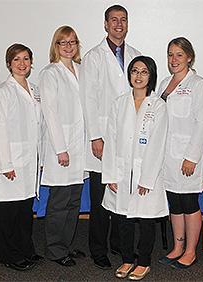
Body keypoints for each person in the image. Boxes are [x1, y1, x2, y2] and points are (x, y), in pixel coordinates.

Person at [80, 4, 141, 270]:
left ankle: (119, 243)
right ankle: (98, 248)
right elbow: (89, 99)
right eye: (114, 20)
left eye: (123, 20)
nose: (119, 24)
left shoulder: (136, 56)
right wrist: (95, 136)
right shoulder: (94, 57)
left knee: (122, 195)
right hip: (102, 138)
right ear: (105, 24)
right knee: (100, 198)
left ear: (128, 24)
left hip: (127, 139)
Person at [102, 56, 168, 280]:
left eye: (144, 72)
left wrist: (147, 179)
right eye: (134, 71)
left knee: (147, 220)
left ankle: (144, 262)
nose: (138, 76)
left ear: (151, 76)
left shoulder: (158, 106)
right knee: (123, 219)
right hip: (121, 172)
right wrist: (110, 174)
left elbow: (157, 144)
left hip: (146, 174)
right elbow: (110, 140)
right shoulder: (119, 103)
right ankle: (127, 259)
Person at [157, 37, 203, 269]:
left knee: (189, 203)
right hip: (167, 157)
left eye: (179, 55)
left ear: (189, 57)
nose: (174, 59)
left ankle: (191, 251)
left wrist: (191, 156)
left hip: (187, 157)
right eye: (171, 55)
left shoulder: (200, 85)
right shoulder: (163, 84)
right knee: (175, 204)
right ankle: (178, 247)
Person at [0, 43, 44, 271]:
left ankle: (25, 250)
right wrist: (6, 164)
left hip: (30, 160)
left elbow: (38, 126)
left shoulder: (35, 90)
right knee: (10, 212)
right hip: (11, 161)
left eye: (26, 59)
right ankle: (9, 255)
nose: (22, 64)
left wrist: (40, 158)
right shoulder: (3, 92)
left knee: (25, 210)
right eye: (17, 59)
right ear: (9, 63)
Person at [38, 26, 86, 267]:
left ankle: (66, 244)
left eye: (72, 42)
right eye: (63, 42)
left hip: (80, 147)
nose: (68, 46)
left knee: (73, 201)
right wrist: (60, 148)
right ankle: (55, 250)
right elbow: (50, 113)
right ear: (55, 46)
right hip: (62, 148)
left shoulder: (81, 70)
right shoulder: (50, 73)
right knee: (59, 201)